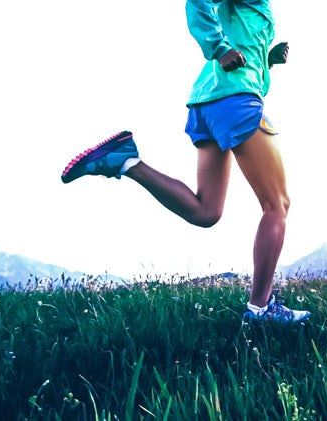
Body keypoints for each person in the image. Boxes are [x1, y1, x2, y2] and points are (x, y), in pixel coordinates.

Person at [60, 0, 308, 323]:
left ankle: (126, 161)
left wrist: (267, 59)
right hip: (235, 102)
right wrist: (219, 49)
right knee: (278, 205)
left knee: (206, 211)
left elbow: (244, 45)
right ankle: (260, 309)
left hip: (209, 104)